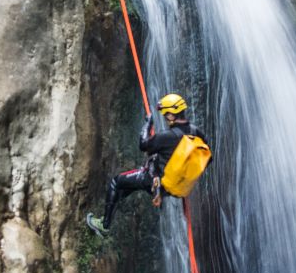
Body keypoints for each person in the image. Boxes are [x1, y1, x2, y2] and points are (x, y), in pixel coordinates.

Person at [86, 93, 206, 237]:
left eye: (165, 114)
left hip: (153, 181)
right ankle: (112, 205)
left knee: (116, 183)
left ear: (171, 115)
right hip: (175, 186)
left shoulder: (166, 136)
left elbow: (143, 145)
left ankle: (104, 225)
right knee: (127, 186)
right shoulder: (195, 131)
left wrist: (147, 124)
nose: (165, 117)